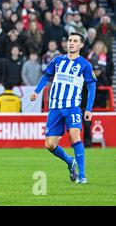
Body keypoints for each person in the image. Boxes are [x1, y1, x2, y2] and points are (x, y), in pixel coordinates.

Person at [30, 32, 96, 184]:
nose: (71, 43)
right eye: (70, 40)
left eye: (75, 41)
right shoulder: (57, 60)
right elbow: (46, 76)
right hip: (55, 107)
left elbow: (91, 87)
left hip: (72, 106)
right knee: (50, 144)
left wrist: (89, 109)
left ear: (81, 45)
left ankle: (82, 175)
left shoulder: (85, 64)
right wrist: (36, 91)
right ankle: (70, 161)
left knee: (75, 135)